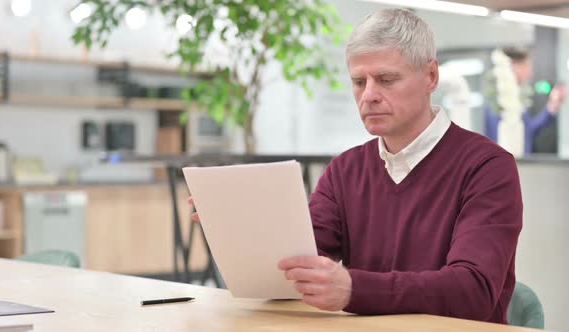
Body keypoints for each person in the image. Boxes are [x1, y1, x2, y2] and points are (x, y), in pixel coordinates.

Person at [190, 8, 522, 324]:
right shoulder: (345, 170)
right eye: (359, 82)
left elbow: (472, 291)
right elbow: (297, 264)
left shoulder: (488, 168)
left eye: (386, 79)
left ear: (431, 76)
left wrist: (353, 289)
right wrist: (243, 230)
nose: (368, 96)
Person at [484, 47, 567, 154]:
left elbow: (528, 132)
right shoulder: (497, 104)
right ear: (515, 66)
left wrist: (552, 107)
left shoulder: (518, 101)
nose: (530, 73)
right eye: (527, 66)